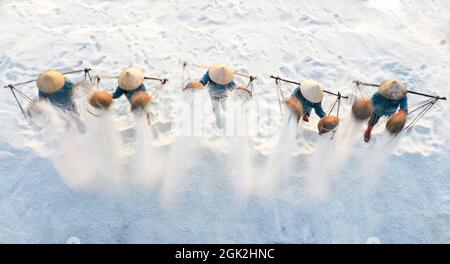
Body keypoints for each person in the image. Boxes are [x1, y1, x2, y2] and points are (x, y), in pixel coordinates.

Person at [199, 64, 236, 128]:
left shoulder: (227, 76)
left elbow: (233, 86)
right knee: (216, 108)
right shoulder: (211, 73)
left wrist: (236, 89)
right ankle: (218, 121)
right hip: (213, 95)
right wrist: (201, 83)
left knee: (224, 108)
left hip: (223, 96)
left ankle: (225, 122)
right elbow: (204, 79)